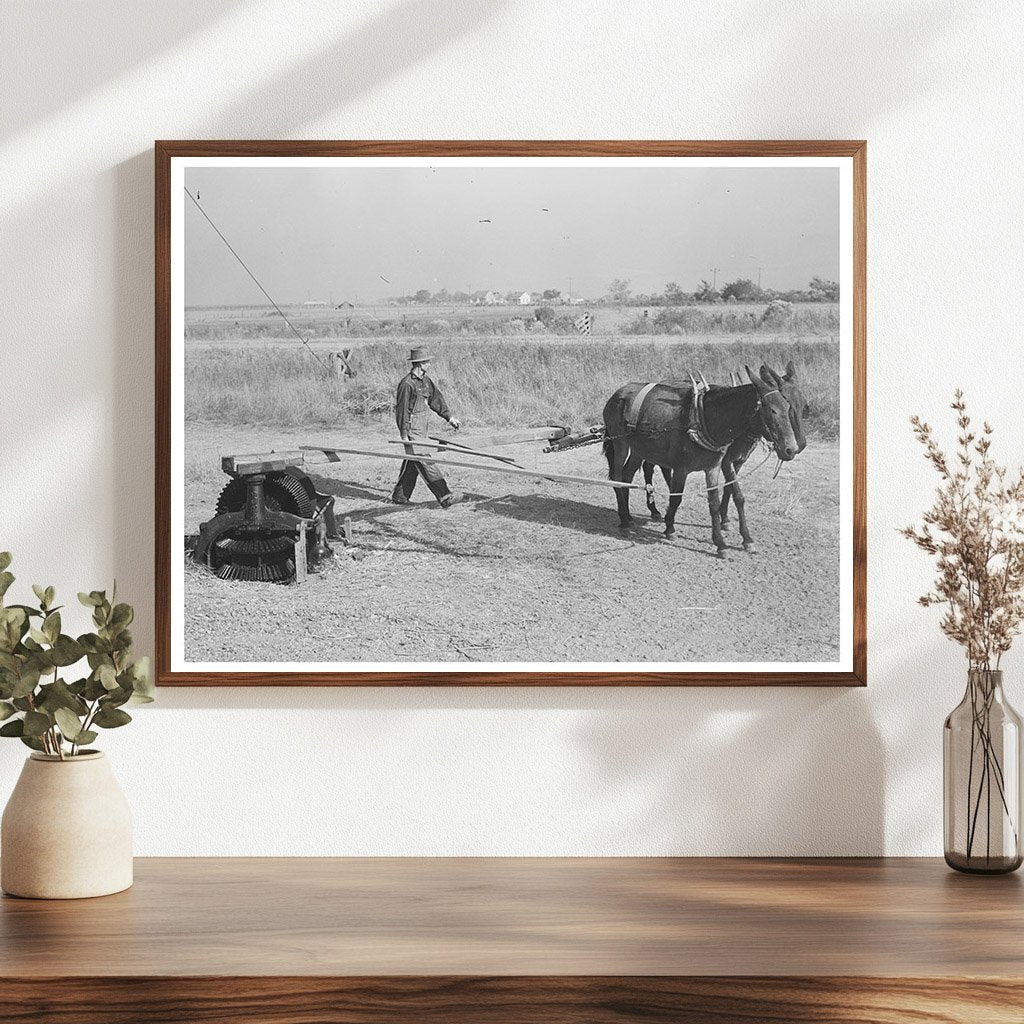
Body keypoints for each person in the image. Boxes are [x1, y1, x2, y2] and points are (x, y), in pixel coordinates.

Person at [391, 347, 463, 507]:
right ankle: (445, 497)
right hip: (411, 430)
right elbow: (401, 411)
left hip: (422, 429)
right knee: (425, 460)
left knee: (413, 461)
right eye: (427, 362)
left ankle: (400, 496)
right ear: (419, 363)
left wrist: (449, 417)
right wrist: (404, 435)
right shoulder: (407, 384)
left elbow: (436, 399)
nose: (429, 364)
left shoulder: (426, 381)